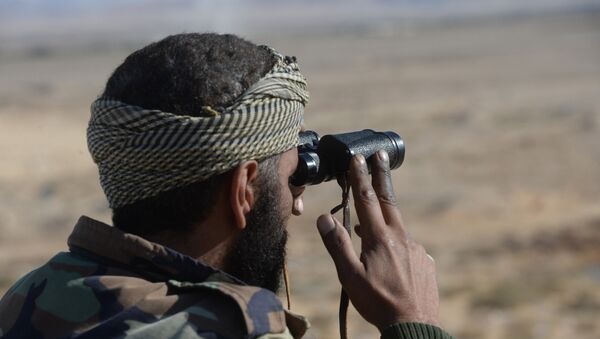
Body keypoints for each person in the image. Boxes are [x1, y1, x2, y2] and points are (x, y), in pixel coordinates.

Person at [0, 33, 453, 339]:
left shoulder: (29, 296)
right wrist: (412, 320)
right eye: (292, 175)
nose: (296, 205)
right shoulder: (226, 330)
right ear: (244, 189)